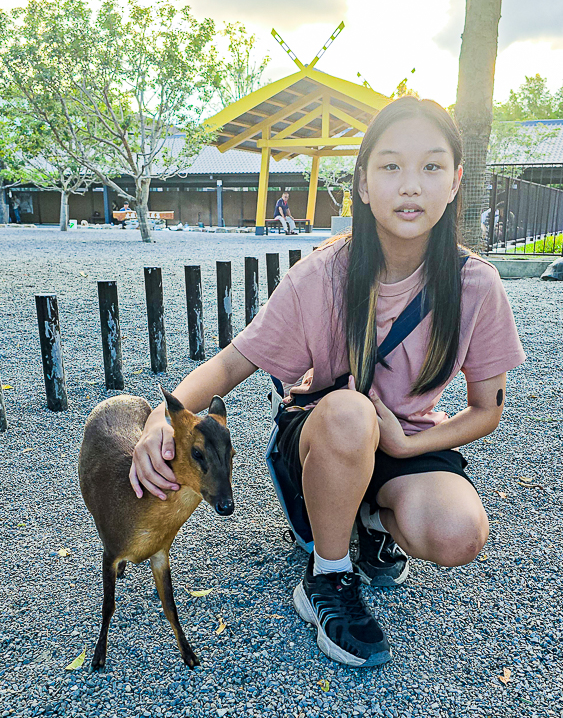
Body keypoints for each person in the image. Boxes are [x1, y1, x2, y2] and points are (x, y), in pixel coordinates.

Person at [129, 97, 525, 669]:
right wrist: (156, 422)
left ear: (456, 181)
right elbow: (231, 364)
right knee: (350, 413)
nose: (410, 185)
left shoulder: (476, 287)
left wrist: (409, 445)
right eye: (390, 166)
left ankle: (365, 518)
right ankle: (328, 576)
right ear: (362, 184)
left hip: (403, 438)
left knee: (458, 533)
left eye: (431, 167)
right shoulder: (322, 275)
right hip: (324, 433)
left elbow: (487, 410)